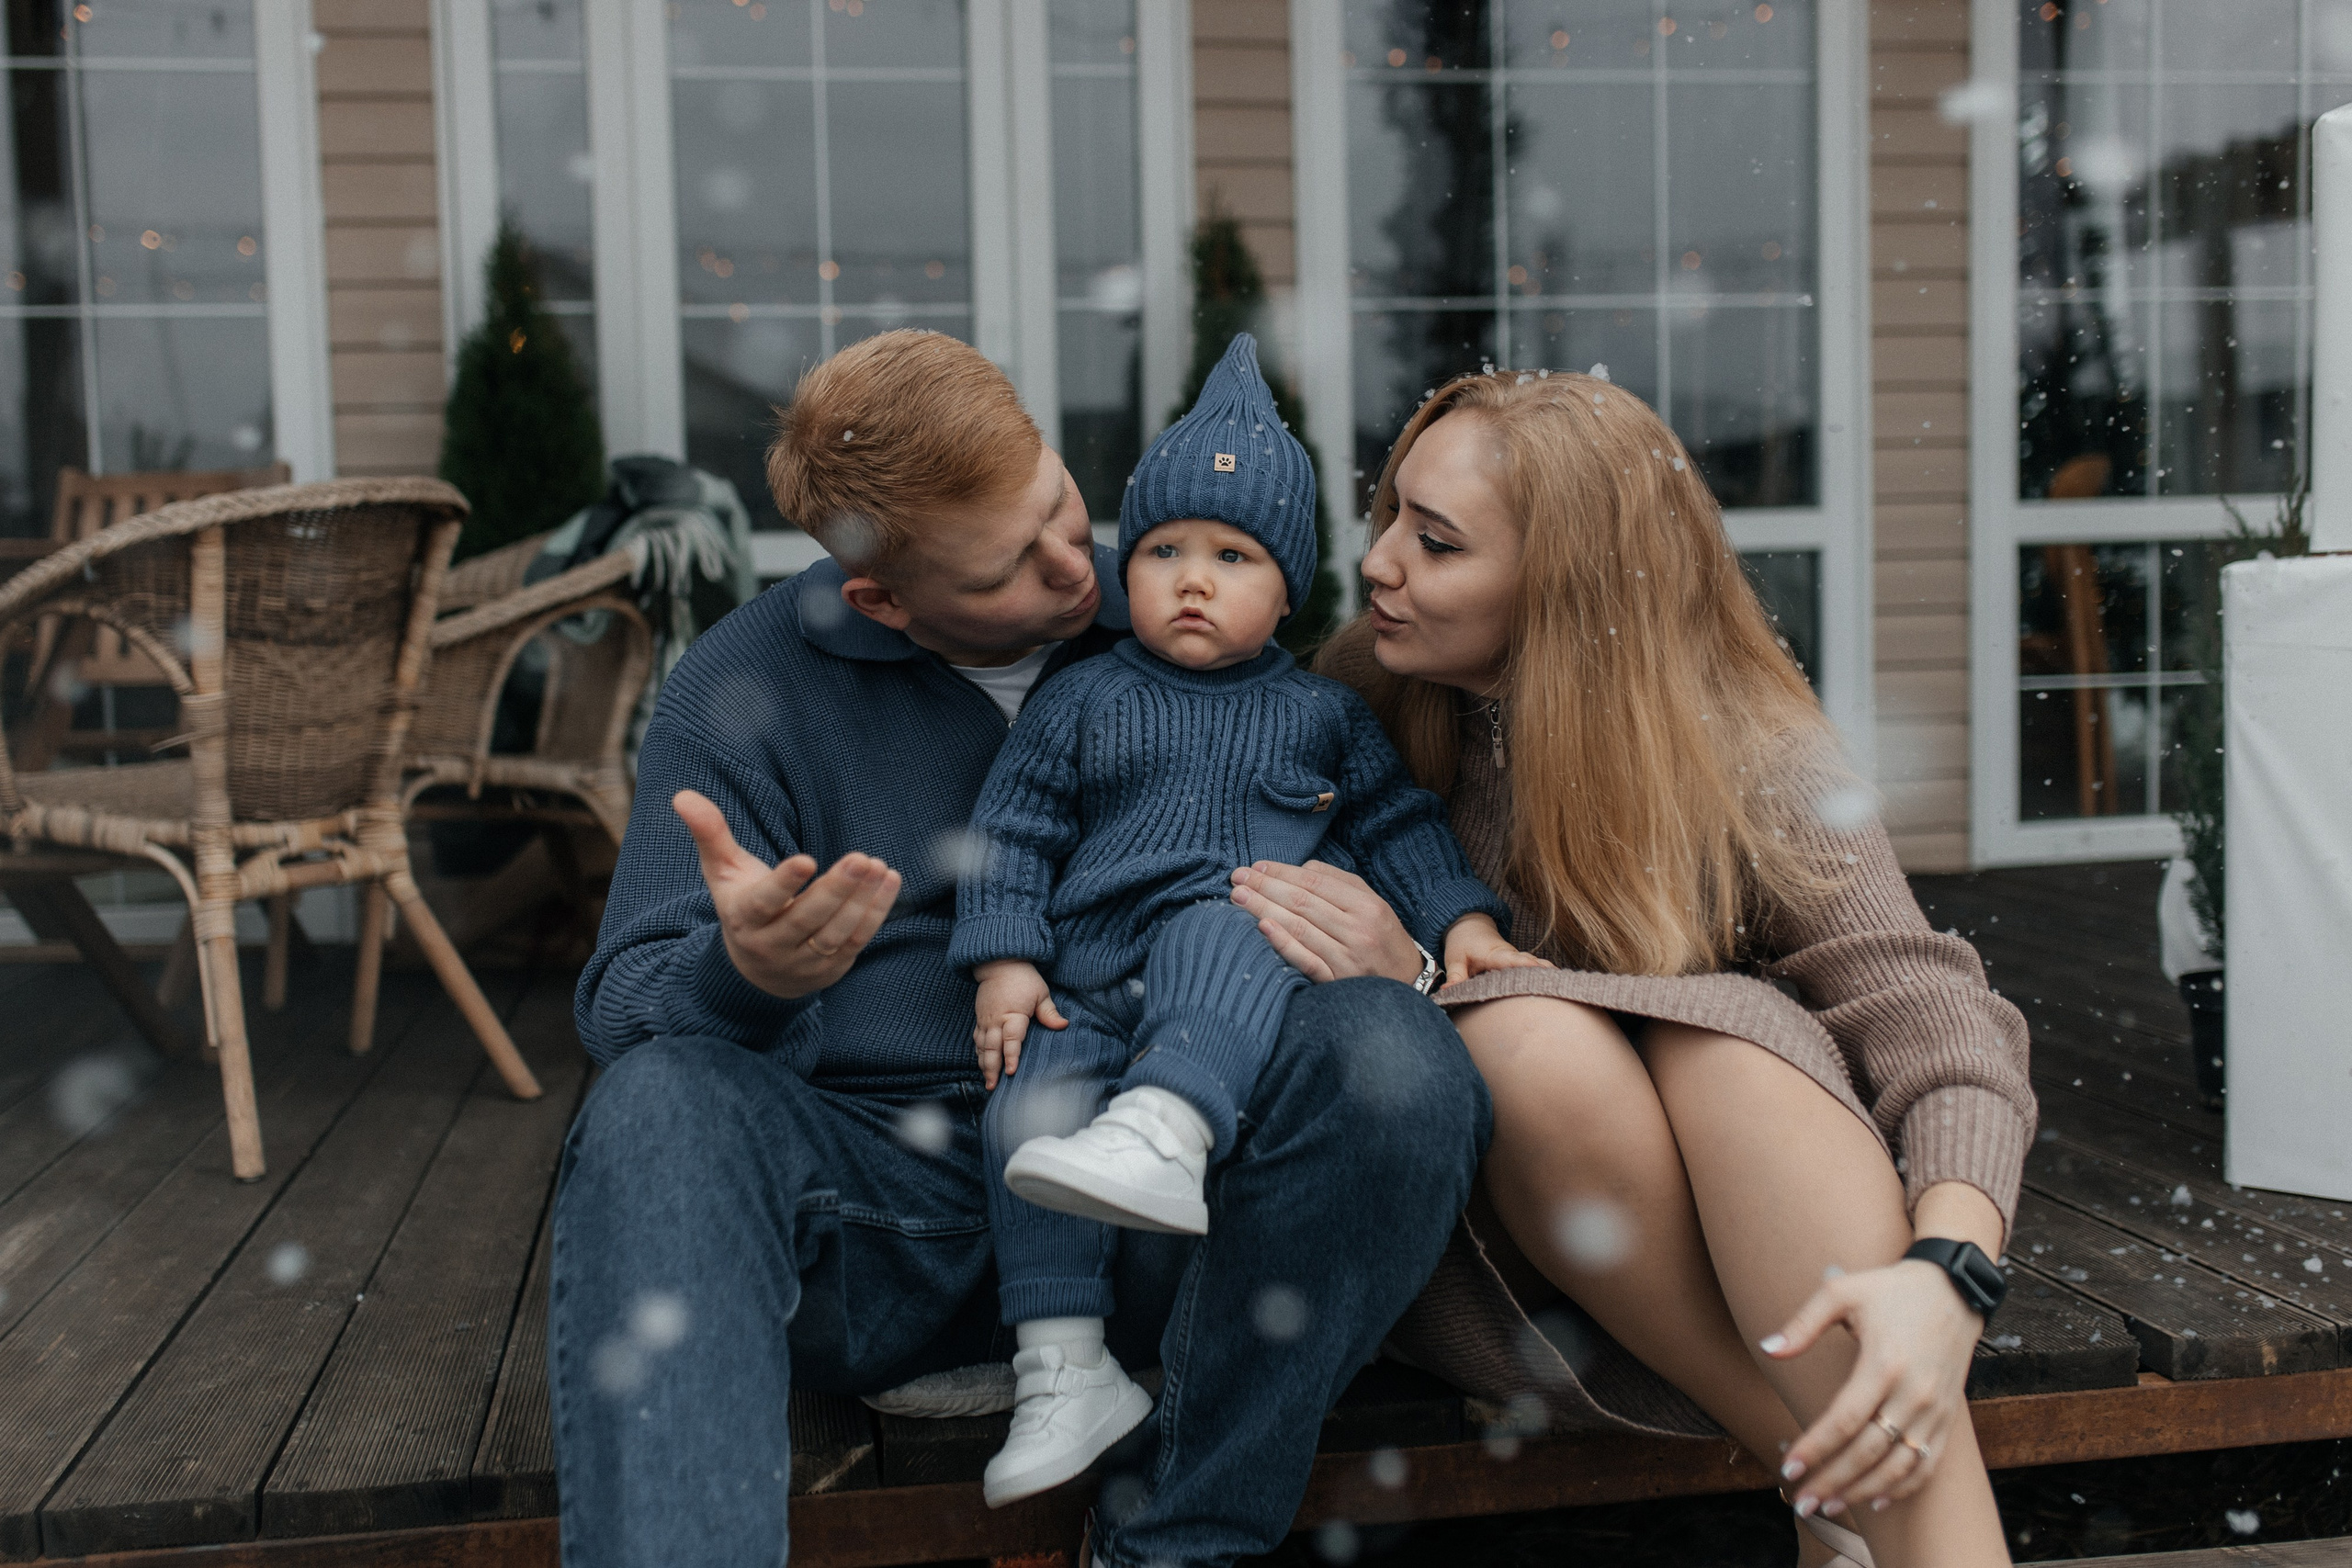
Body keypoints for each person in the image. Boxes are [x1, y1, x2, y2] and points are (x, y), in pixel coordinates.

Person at [550, 328, 1493, 1568]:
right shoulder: (741, 688)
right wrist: (749, 976)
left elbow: (1363, 815)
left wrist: (1407, 952)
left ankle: (1177, 1539)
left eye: (1060, 503)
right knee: (655, 1105)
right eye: (1011, 566)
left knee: (1397, 1056)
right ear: (878, 594)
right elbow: (622, 1006)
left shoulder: (1181, 596)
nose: (1078, 571)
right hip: (885, 1214)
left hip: (1158, 1194)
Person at [1306, 368, 2034, 1568]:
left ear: (1567, 581)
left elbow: (1935, 1020)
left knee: (1732, 1043)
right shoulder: (1353, 705)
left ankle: (1902, 1531)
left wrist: (1948, 1271)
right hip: (1495, 1245)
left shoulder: (1743, 746)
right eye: (1389, 515)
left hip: (1744, 1228)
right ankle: (1833, 1484)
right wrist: (1415, 975)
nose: (1381, 561)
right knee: (1527, 1037)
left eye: (1433, 541)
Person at [951, 336, 1530, 1508]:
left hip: (1228, 972)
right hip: (1086, 974)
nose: (1192, 579)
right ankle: (1061, 1368)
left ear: (1292, 586)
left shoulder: (1321, 714)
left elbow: (1400, 830)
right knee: (1027, 1094)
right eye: (1162, 550)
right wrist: (1007, 960)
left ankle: (1169, 1125)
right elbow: (1012, 830)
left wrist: (1461, 923)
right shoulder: (1082, 697)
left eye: (1232, 554)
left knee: (1229, 918)